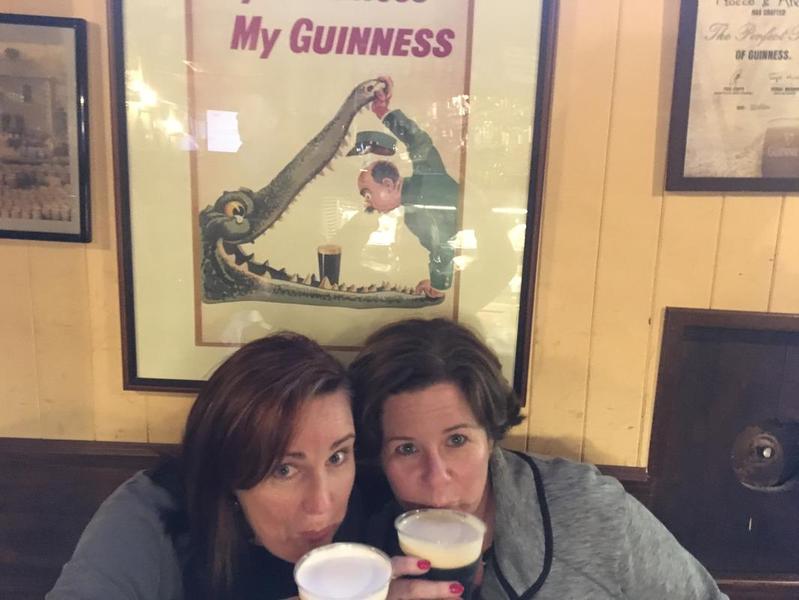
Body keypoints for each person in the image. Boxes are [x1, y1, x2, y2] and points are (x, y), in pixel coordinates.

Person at [47, 333, 457, 600]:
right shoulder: (152, 512)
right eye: (284, 470)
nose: (322, 505)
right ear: (227, 467)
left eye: (337, 457)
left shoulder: (384, 503)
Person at [348, 318, 730, 599]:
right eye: (407, 449)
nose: (437, 479)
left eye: (457, 440)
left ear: (492, 437)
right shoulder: (356, 546)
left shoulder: (588, 510)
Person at [356, 77, 459, 300]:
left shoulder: (427, 183)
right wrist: (382, 111)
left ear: (388, 184)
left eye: (368, 194)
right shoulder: (413, 211)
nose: (367, 203)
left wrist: (440, 285)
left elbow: (445, 244)